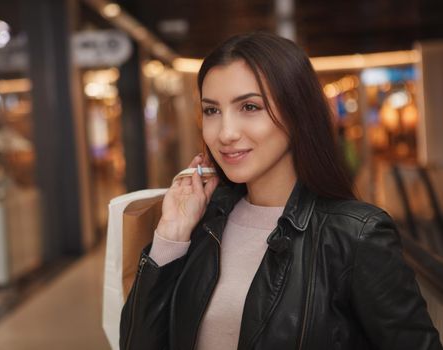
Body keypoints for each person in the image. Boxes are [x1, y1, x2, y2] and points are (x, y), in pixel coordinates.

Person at [120, 31, 442, 350]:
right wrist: (172, 235)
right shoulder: (203, 223)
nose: (226, 133)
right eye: (212, 110)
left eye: (249, 107)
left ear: (296, 113)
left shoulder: (356, 235)